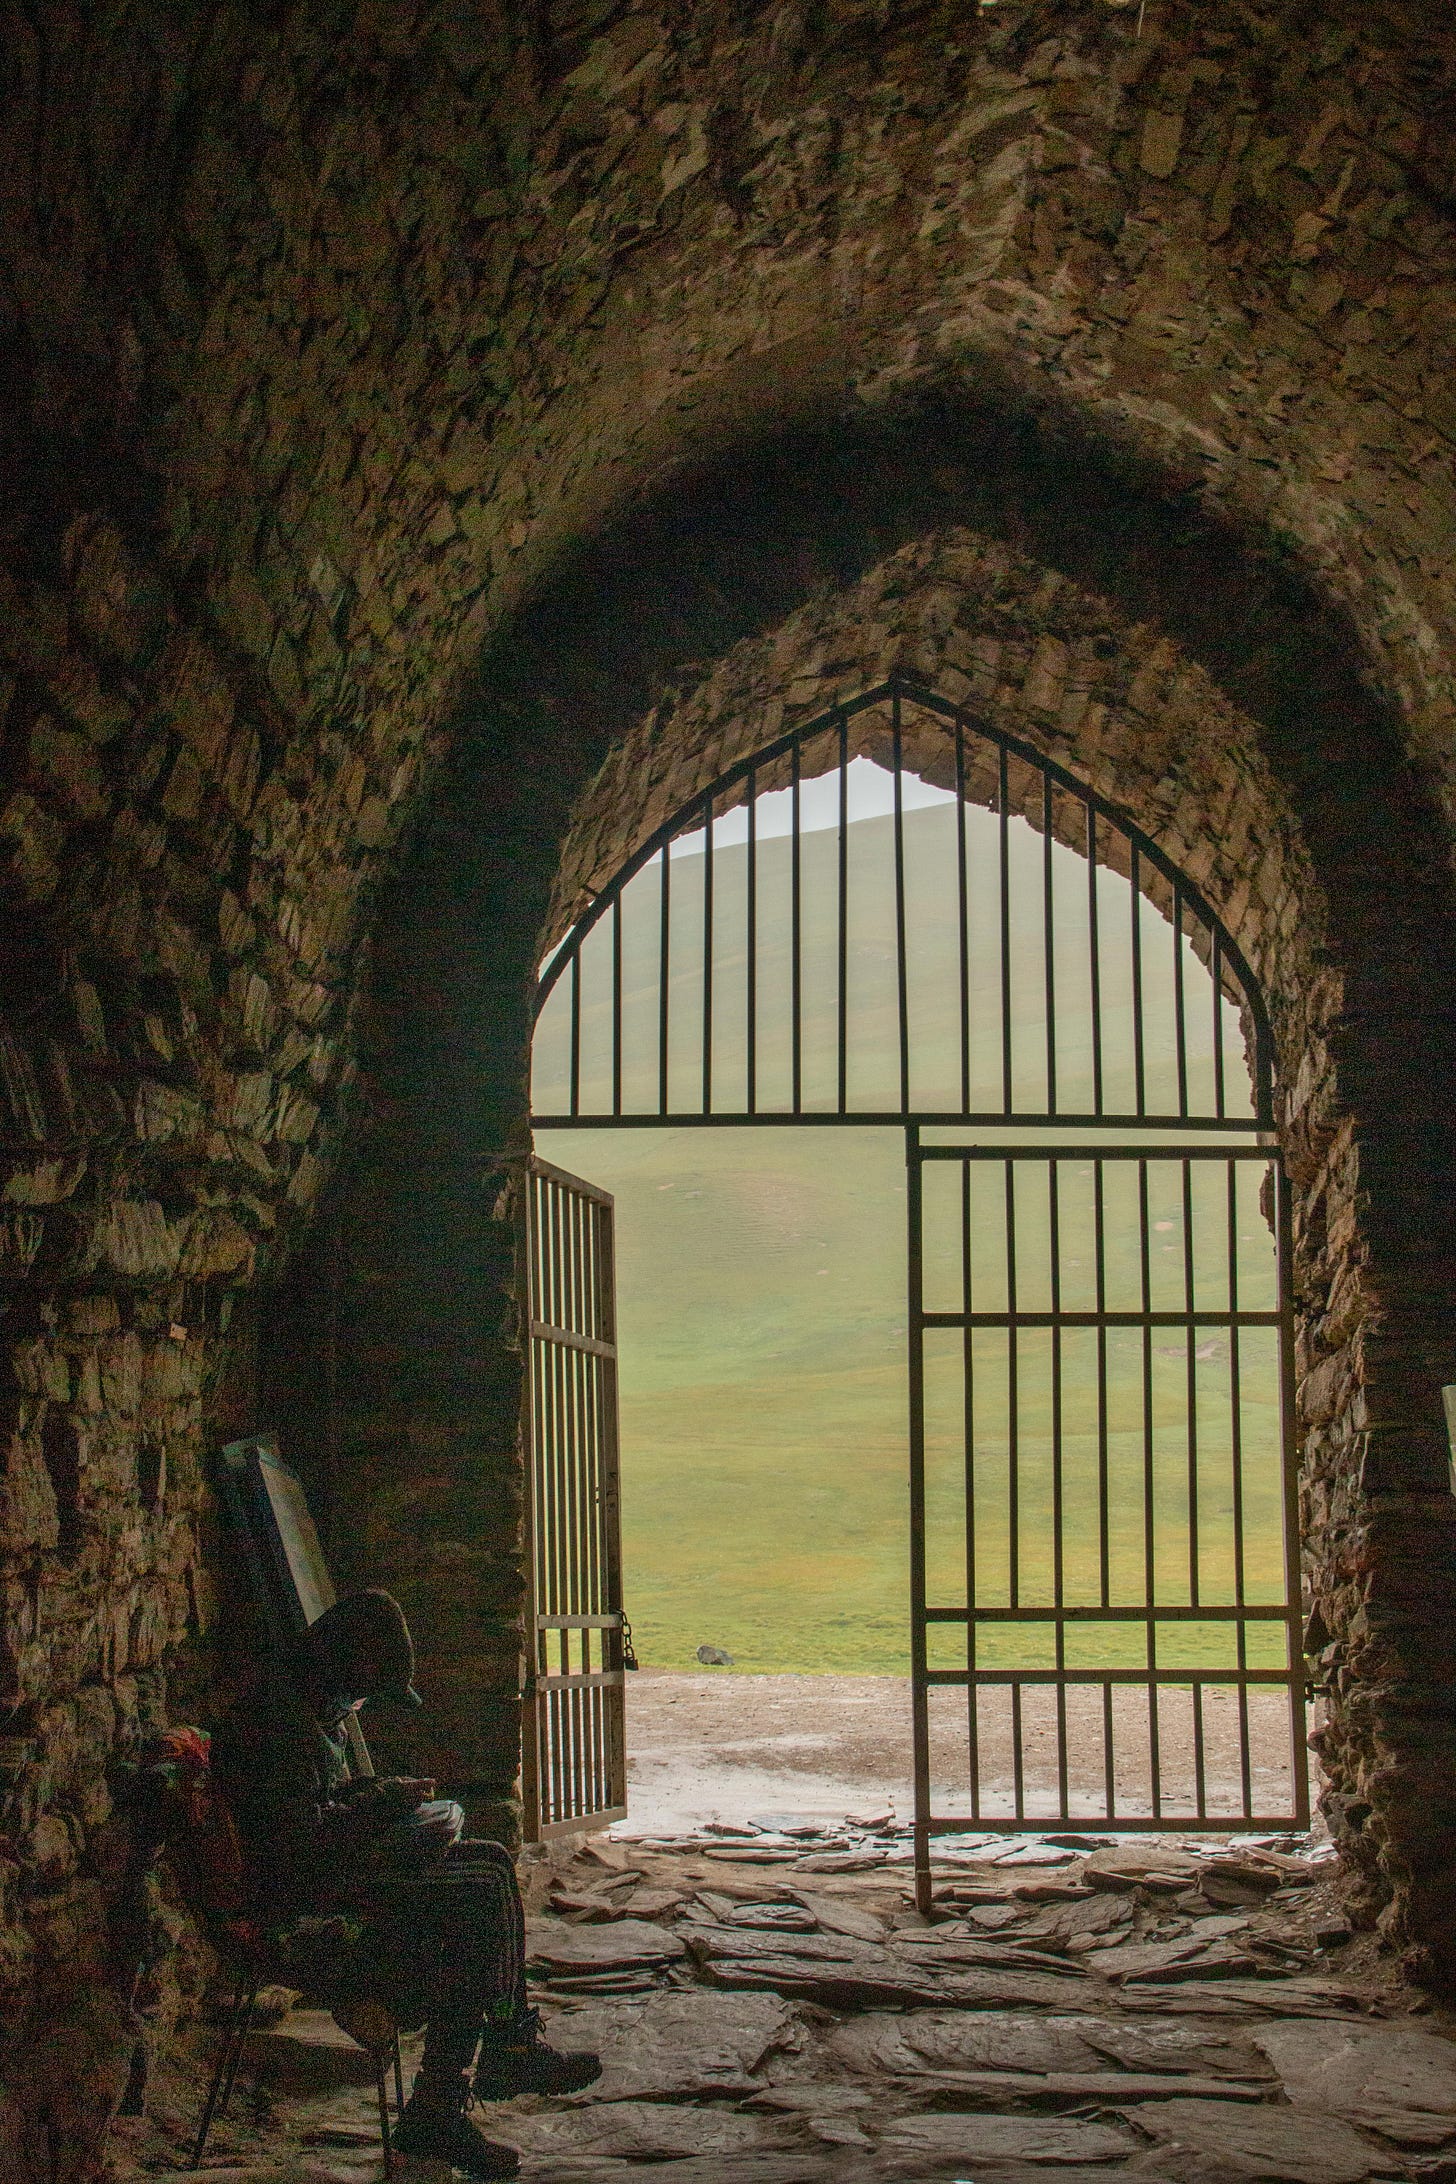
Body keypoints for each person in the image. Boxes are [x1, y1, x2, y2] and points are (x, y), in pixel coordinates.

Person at [211, 1588, 601, 2180]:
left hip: (325, 1878)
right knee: (471, 1900)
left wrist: (373, 1795)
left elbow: (316, 1808)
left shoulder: (309, 1708)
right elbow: (295, 1848)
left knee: (489, 1860)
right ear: (340, 1667)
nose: (360, 1705)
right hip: (299, 1904)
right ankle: (441, 2106)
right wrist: (383, 1809)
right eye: (363, 1690)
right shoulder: (277, 1721)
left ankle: (508, 2047)